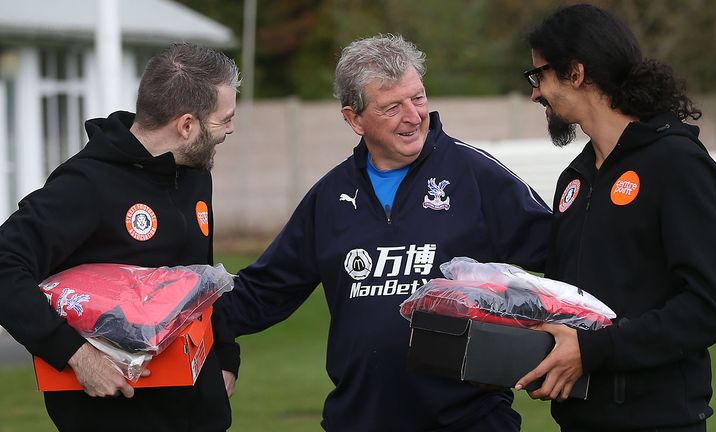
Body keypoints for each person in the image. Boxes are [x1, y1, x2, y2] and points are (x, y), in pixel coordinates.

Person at [217, 34, 551, 431]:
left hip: (470, 420)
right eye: (392, 106)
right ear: (353, 118)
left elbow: (563, 253)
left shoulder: (475, 175)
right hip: (361, 420)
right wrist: (193, 327)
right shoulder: (330, 196)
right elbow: (264, 291)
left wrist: (586, 339)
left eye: (419, 98)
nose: (413, 116)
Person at [514, 4, 716, 432]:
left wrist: (593, 350)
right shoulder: (575, 179)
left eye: (538, 75)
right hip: (580, 418)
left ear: (575, 73)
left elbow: (711, 306)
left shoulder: (676, 164)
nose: (535, 94)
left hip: (658, 420)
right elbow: (574, 299)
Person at [0, 43, 241, 432]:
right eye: (223, 119)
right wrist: (75, 355)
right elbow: (5, 265)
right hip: (114, 416)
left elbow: (202, 278)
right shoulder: (85, 185)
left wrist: (226, 356)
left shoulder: (195, 174)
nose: (229, 128)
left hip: (199, 412)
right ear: (186, 125)